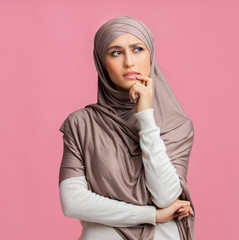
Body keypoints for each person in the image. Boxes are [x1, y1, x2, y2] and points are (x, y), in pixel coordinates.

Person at [58, 16, 196, 240]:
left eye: (138, 49)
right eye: (116, 52)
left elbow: (165, 197)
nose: (129, 62)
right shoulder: (81, 124)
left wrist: (146, 118)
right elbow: (72, 202)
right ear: (102, 63)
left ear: (150, 54)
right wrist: (151, 215)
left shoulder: (177, 125)